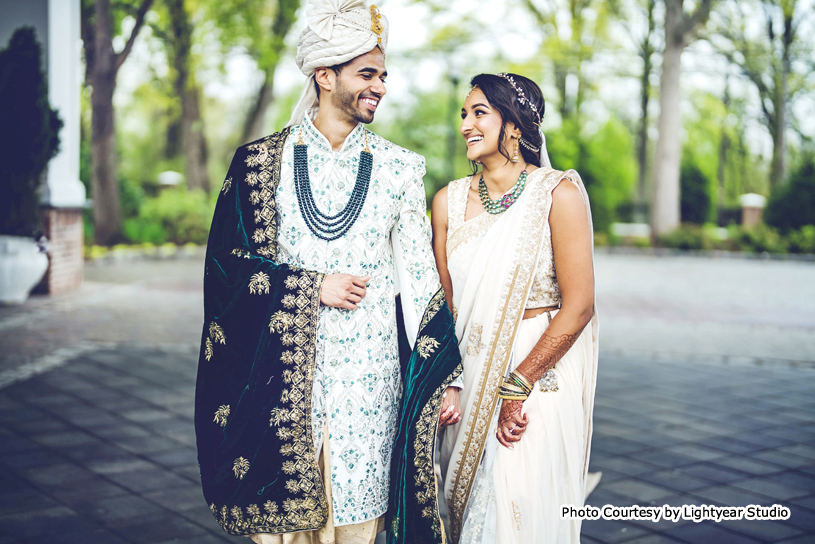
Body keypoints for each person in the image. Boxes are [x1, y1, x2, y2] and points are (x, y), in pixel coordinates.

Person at [193, 1, 461, 543]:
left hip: (369, 379)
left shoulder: (399, 167)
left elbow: (419, 278)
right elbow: (227, 270)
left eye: (383, 76)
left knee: (359, 518)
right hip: (280, 379)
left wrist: (446, 377)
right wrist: (311, 287)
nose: (380, 86)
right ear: (324, 75)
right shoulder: (258, 163)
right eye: (367, 74)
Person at [432, 73, 600, 543]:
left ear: (514, 126)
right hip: (468, 373)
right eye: (464, 113)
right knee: (470, 512)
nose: (465, 124)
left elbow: (580, 305)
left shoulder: (558, 195)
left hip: (538, 376)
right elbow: (443, 304)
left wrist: (517, 385)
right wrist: (450, 380)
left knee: (518, 508)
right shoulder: (448, 201)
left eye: (479, 112)